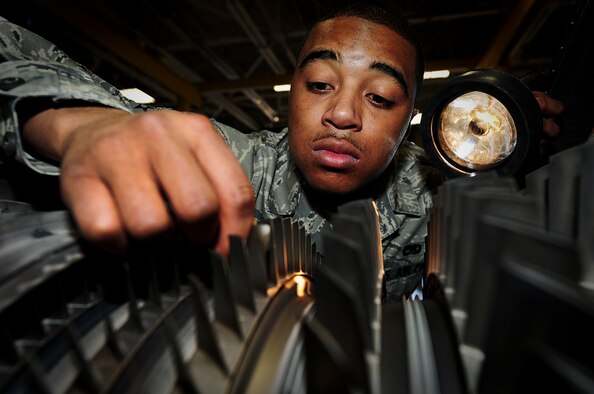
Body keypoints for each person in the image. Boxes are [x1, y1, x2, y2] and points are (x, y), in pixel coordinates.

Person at [0, 4, 564, 300]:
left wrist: (514, 147)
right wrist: (75, 120)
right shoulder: (231, 164)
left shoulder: (443, 191)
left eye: (381, 96)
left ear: (411, 116)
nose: (342, 114)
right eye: (320, 85)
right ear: (292, 94)